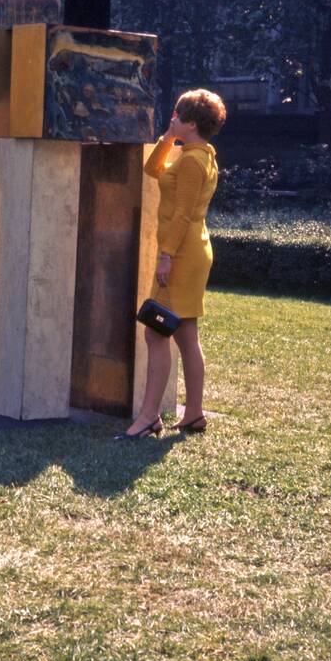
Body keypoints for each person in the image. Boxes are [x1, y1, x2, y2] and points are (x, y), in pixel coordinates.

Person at [116, 89, 226, 440]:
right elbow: (152, 169)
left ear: (191, 123)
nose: (172, 118)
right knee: (184, 334)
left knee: (156, 330)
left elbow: (182, 213)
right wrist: (167, 136)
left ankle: (149, 416)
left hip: (182, 253)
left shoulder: (193, 161)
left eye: (177, 116)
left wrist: (166, 255)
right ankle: (193, 414)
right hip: (190, 250)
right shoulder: (195, 153)